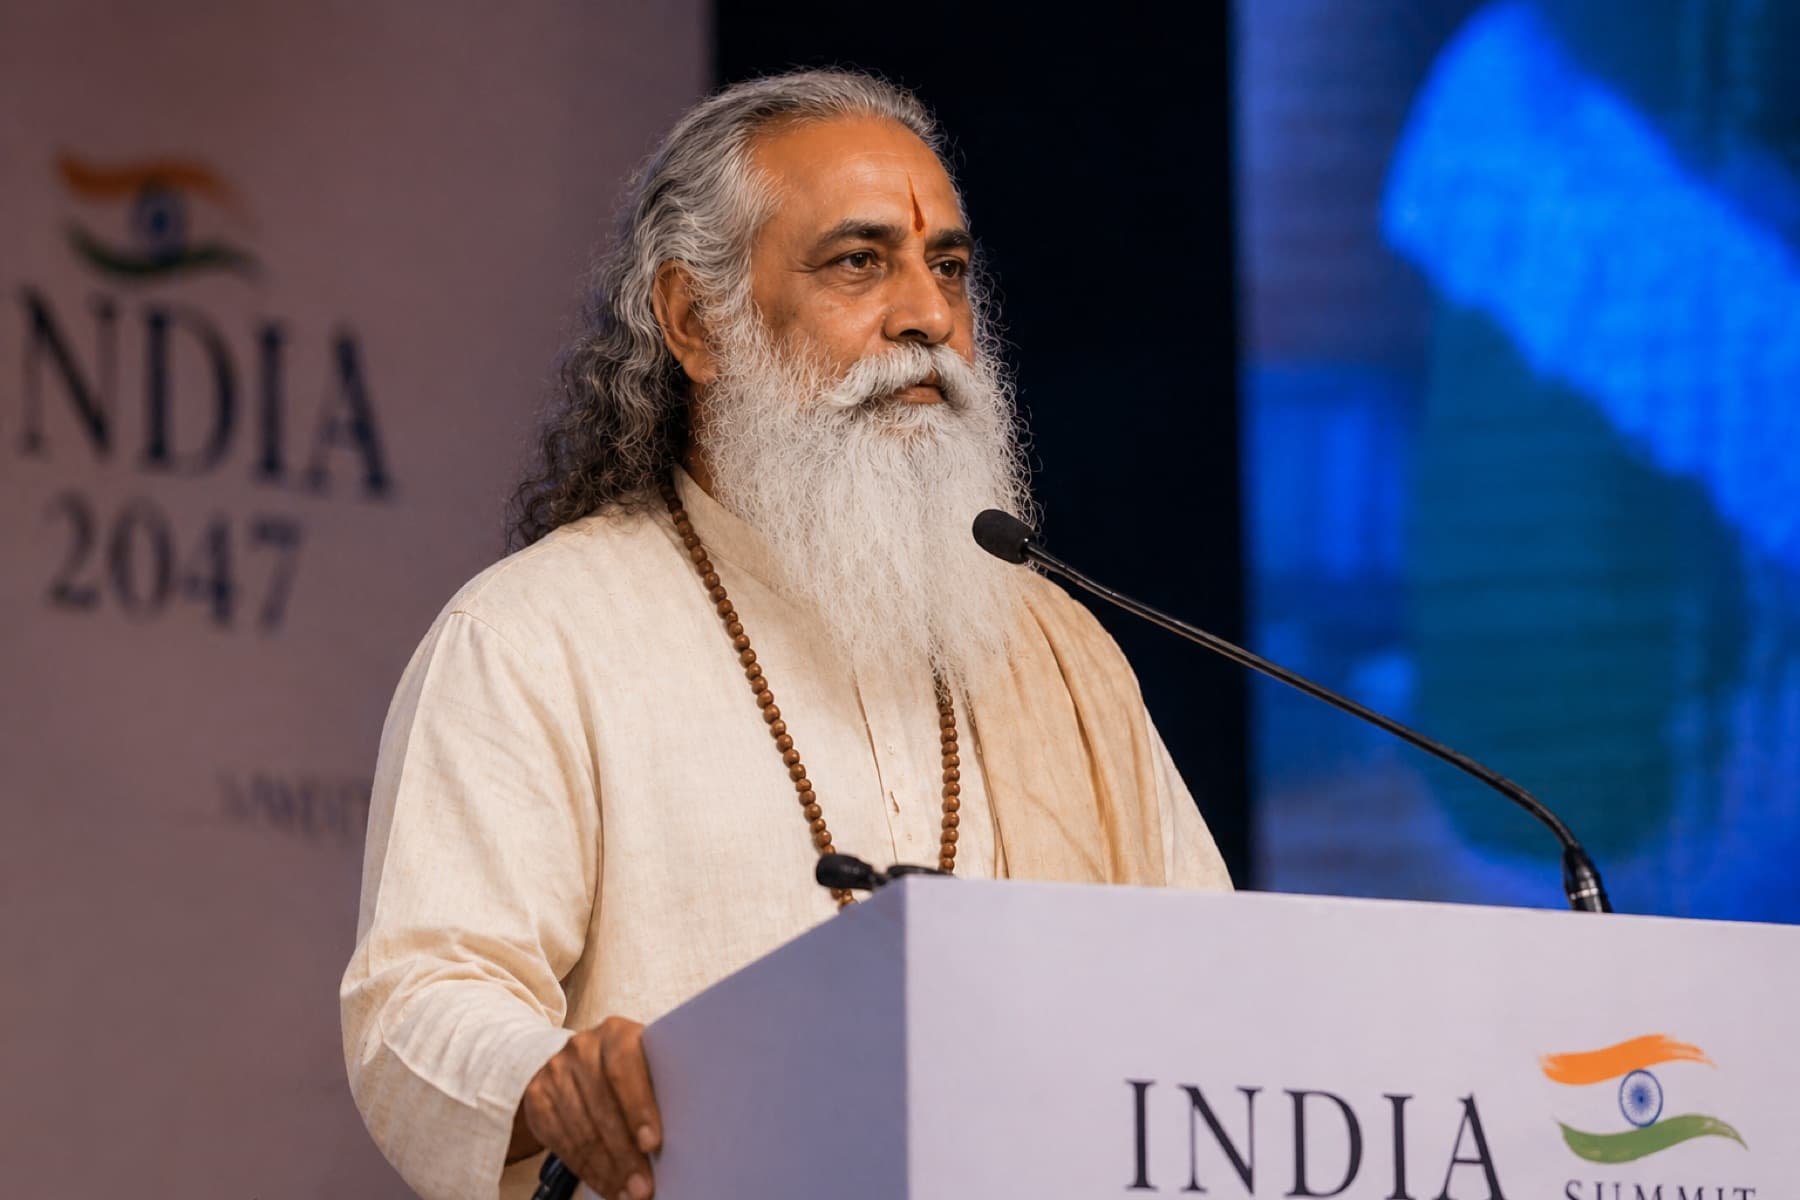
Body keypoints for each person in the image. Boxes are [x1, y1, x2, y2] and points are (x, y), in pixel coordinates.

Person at [340, 68, 1231, 1200]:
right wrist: (548, 1076)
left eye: (948, 266)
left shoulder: (1058, 651)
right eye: (859, 262)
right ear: (694, 322)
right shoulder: (538, 637)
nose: (928, 317)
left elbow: (1217, 991)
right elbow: (419, 1002)